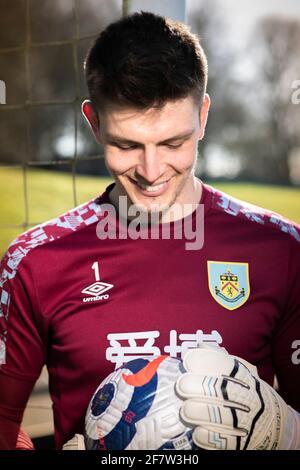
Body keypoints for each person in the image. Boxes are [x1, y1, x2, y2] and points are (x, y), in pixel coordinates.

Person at [0, 11, 299, 450]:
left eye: (173, 143)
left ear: (203, 115)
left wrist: (290, 433)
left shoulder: (283, 251)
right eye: (126, 145)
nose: (151, 170)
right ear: (94, 122)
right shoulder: (35, 261)